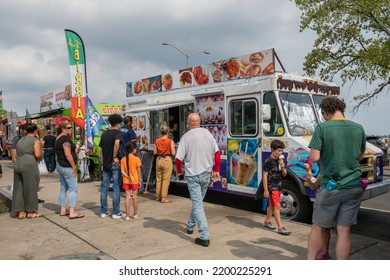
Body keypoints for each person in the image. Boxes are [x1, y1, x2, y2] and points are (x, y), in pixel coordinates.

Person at [307, 96, 366, 260]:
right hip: (354, 186)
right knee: (344, 230)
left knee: (318, 227)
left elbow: (314, 157)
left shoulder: (322, 128)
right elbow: (360, 156)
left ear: (325, 112)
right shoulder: (358, 128)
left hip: (331, 187)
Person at [175, 113, 220, 247]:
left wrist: (179, 172)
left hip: (192, 175)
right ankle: (190, 225)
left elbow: (178, 159)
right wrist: (217, 170)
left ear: (188, 123)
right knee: (198, 202)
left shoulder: (185, 137)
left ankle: (204, 236)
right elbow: (217, 153)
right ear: (200, 121)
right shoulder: (208, 134)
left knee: (197, 204)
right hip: (206, 174)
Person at [11, 123, 43, 219]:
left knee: (18, 188)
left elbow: (14, 154)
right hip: (29, 163)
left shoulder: (20, 140)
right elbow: (37, 154)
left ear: (25, 131)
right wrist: (41, 157)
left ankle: (21, 212)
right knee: (30, 187)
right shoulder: (35, 140)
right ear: (35, 131)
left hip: (18, 163)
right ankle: (31, 211)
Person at [55, 122, 84, 219]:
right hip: (67, 166)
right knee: (73, 188)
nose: (70, 129)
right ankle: (72, 211)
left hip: (60, 165)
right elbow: (67, 154)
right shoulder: (65, 139)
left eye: (71, 128)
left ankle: (63, 209)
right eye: (68, 128)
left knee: (63, 187)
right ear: (63, 128)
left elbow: (65, 152)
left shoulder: (58, 138)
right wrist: (74, 167)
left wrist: (75, 150)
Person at [262, 139, 291, 235]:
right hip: (272, 187)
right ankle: (280, 227)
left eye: (282, 150)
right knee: (277, 206)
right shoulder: (268, 161)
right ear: (272, 150)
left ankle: (267, 221)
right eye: (278, 150)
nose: (281, 152)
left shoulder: (280, 161)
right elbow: (265, 175)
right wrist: (266, 190)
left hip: (279, 186)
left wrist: (283, 166)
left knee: (271, 205)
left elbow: (285, 174)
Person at [99, 114, 125, 219]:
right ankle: (116, 212)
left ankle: (104, 211)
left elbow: (100, 149)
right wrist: (114, 156)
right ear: (118, 123)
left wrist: (102, 160)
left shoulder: (104, 134)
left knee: (104, 188)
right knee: (116, 188)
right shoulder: (118, 133)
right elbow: (117, 144)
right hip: (115, 164)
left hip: (106, 164)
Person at [154, 124, 176, 203]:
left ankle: (158, 196)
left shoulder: (157, 140)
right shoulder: (170, 141)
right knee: (165, 179)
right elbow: (173, 153)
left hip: (159, 159)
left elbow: (155, 152)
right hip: (167, 159)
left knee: (158, 178)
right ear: (168, 131)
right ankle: (163, 197)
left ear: (160, 131)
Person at [121, 142, 142, 221]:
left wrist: (127, 176)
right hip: (135, 180)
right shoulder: (137, 159)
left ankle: (127, 216)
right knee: (135, 197)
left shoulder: (123, 159)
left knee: (127, 197)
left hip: (126, 181)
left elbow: (122, 171)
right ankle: (135, 214)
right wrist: (139, 180)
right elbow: (139, 171)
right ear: (133, 149)